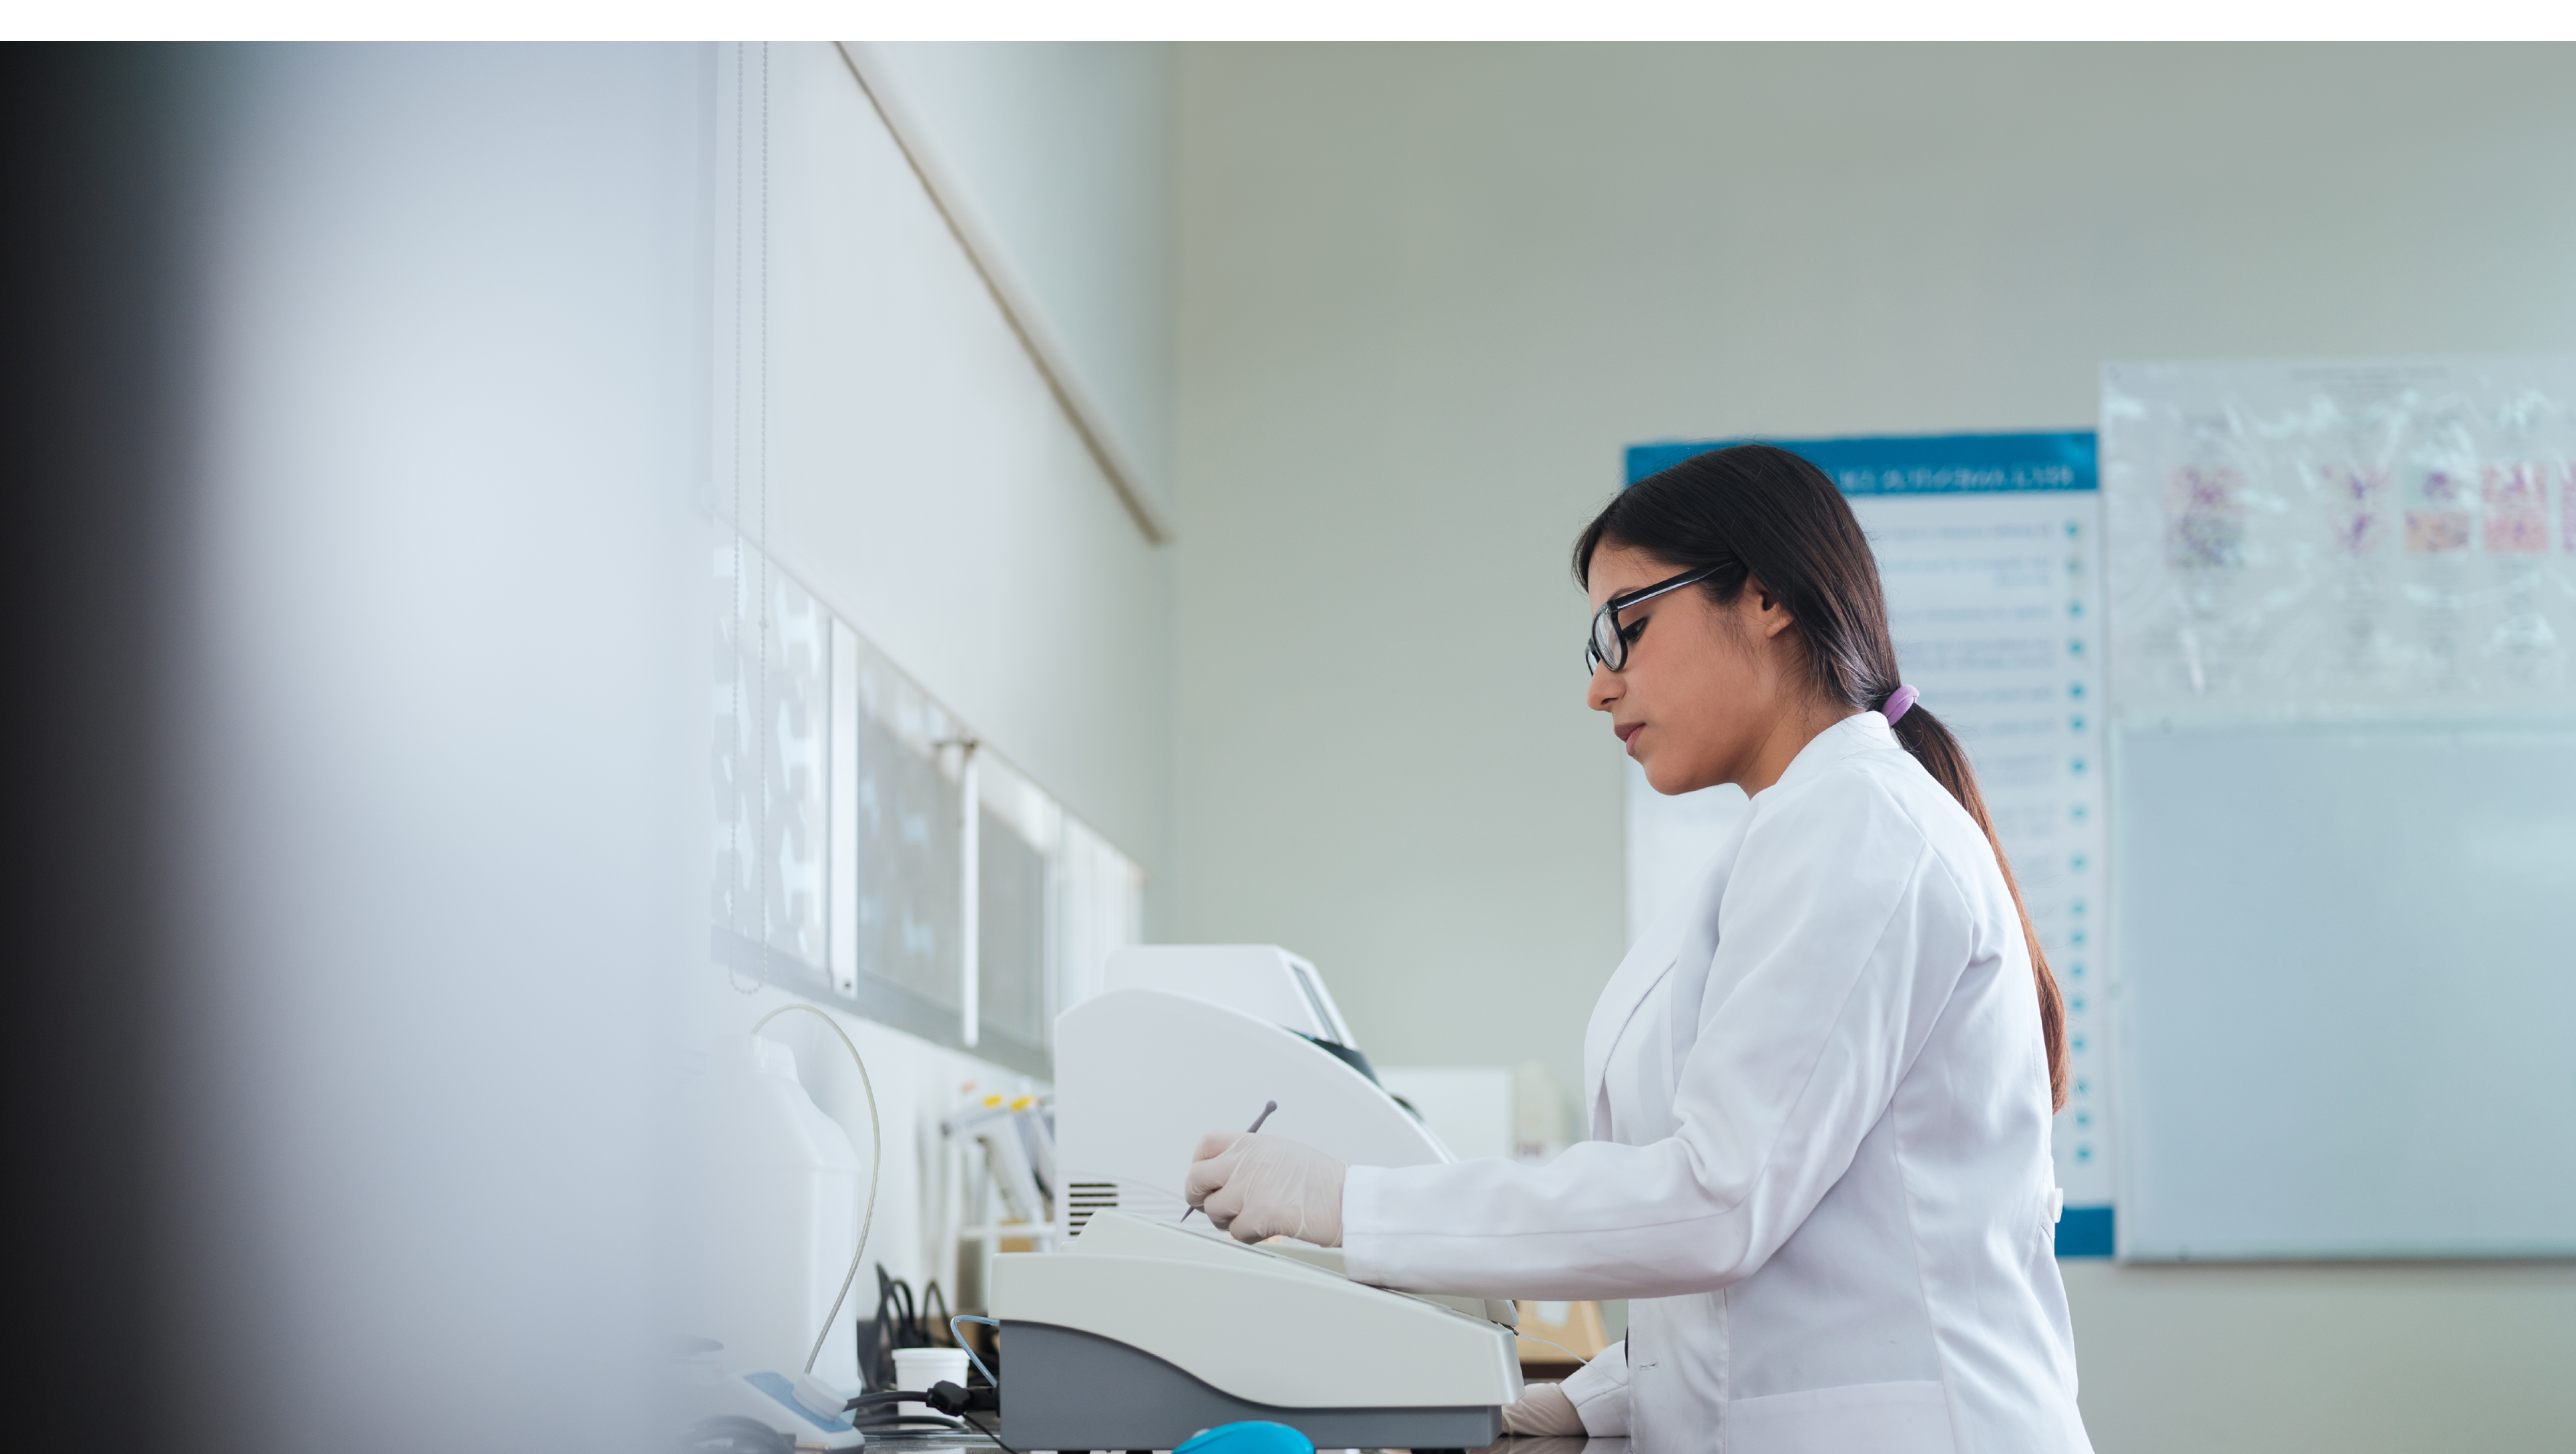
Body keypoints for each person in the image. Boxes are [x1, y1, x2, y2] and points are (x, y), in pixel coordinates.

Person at [1183, 444, 2093, 1453]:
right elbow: (1777, 1249)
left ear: (1764, 598)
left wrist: (1342, 1201)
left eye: (1628, 625)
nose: (1600, 687)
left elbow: (1715, 1201)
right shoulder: (1788, 836)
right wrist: (1593, 1400)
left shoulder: (1858, 830)